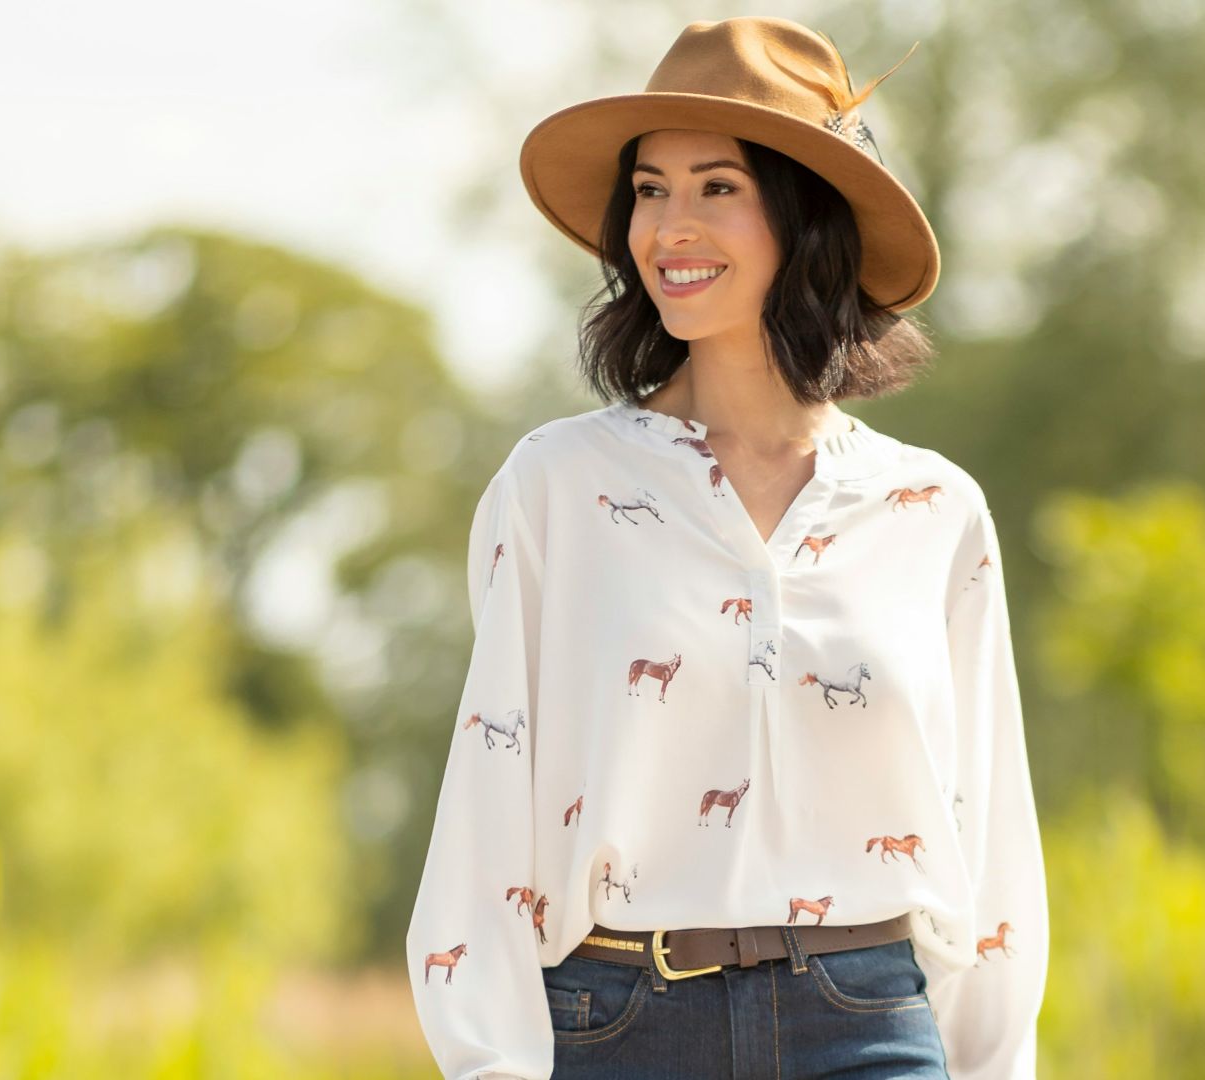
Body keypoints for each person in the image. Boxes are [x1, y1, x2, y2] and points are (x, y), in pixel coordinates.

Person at [406, 16, 1047, 1079]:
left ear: (805, 216)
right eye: (649, 190)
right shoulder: (559, 486)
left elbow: (991, 836)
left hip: (872, 1026)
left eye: (717, 187)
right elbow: (490, 797)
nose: (670, 227)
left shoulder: (933, 512)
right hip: (618, 1027)